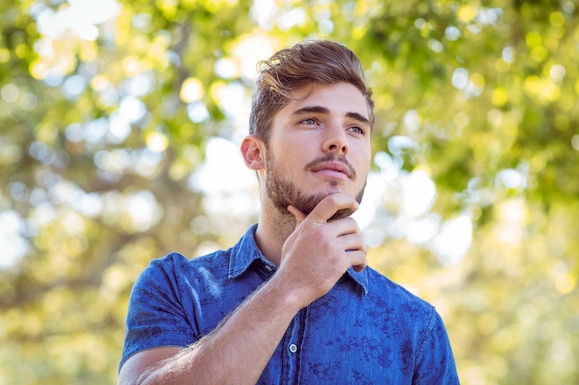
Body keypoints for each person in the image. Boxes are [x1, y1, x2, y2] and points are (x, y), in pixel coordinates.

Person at [118, 39, 460, 384]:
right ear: (256, 153)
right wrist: (289, 285)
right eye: (311, 120)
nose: (339, 141)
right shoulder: (175, 286)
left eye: (356, 128)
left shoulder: (417, 327)